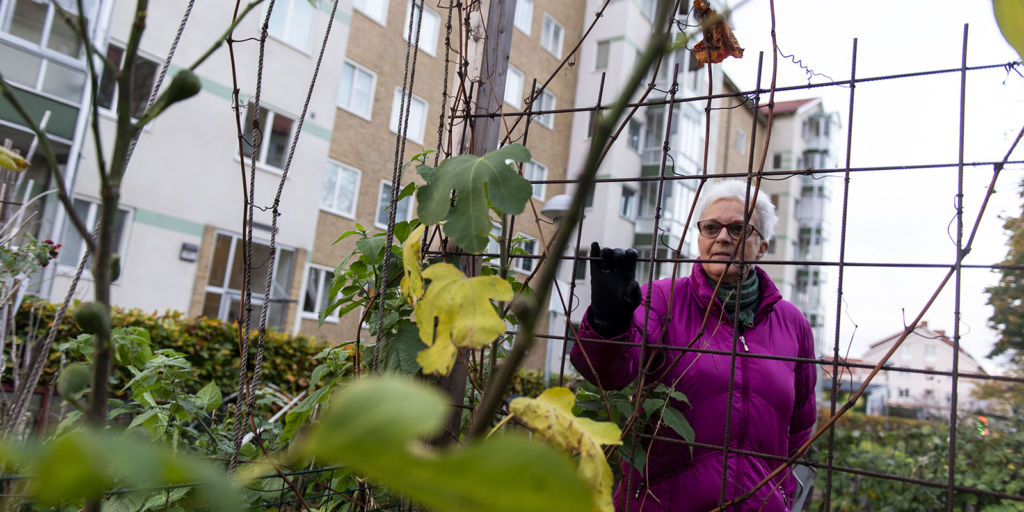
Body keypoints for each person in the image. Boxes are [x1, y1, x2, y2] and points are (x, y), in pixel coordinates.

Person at [570, 180, 817, 512]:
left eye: (739, 229)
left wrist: (783, 493)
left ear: (762, 248)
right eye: (711, 227)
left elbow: (800, 427)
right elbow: (612, 374)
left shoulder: (793, 324)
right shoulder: (662, 298)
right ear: (700, 237)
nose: (723, 237)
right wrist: (608, 323)